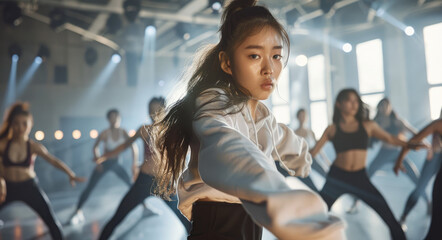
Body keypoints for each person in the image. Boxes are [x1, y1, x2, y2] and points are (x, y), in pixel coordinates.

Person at [152, 1, 345, 239]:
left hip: (249, 225)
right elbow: (226, 145)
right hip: (218, 224)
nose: (269, 69)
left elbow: (281, 137)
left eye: (276, 56)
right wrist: (286, 202)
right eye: (254, 55)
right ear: (227, 63)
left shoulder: (262, 116)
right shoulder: (214, 102)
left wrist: (301, 157)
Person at [310, 89, 422, 240]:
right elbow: (313, 152)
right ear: (339, 104)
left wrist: (407, 144)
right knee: (316, 214)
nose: (354, 104)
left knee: (387, 214)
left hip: (359, 177)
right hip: (337, 177)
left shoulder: (368, 125)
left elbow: (389, 138)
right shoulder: (332, 129)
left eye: (356, 101)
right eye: (349, 100)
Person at [95, 97, 191, 240]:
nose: (154, 113)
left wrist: (175, 180)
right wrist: (105, 156)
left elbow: (178, 157)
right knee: (119, 215)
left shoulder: (171, 131)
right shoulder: (144, 129)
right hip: (143, 181)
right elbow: (124, 146)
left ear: (164, 111)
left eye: (157, 110)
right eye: (151, 110)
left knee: (185, 218)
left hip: (163, 183)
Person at [0, 102, 84, 239]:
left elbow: (53, 160)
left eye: (24, 124)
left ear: (30, 125)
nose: (20, 127)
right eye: (16, 123)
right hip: (7, 189)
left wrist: (70, 173)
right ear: (11, 124)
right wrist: (1, 181)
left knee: (51, 222)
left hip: (29, 187)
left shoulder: (34, 147)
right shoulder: (3, 144)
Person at [348, 98, 429, 214]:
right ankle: (355, 202)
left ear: (390, 107)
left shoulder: (397, 121)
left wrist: (425, 142)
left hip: (397, 153)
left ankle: (428, 202)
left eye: (386, 106)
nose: (384, 108)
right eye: (382, 106)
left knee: (414, 176)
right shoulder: (377, 122)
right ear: (379, 108)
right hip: (383, 153)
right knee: (367, 174)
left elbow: (414, 132)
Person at [68, 109, 138, 224]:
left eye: (116, 117)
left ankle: (145, 206)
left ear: (119, 118)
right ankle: (77, 211)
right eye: (112, 117)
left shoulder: (123, 132)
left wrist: (134, 163)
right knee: (90, 186)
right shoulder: (105, 132)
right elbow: (95, 147)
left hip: (116, 163)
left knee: (130, 183)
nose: (114, 119)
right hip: (105, 163)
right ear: (108, 119)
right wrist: (98, 162)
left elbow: (133, 147)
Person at [394, 109, 442, 235]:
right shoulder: (438, 124)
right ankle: (403, 217)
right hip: (436, 157)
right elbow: (413, 141)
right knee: (419, 189)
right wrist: (399, 160)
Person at [276, 109, 331, 192]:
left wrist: (326, 161)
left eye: (304, 116)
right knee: (308, 178)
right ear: (298, 117)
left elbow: (319, 148)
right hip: (303, 159)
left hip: (314, 158)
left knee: (325, 173)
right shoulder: (294, 132)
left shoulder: (310, 132)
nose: (303, 118)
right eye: (301, 116)